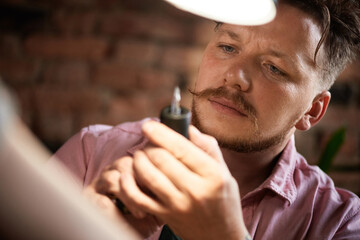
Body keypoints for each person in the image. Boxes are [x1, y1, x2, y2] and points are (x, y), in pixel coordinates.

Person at [50, 0, 360, 239]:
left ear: (313, 110)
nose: (234, 76)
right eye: (228, 47)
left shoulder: (339, 223)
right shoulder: (91, 153)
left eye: (274, 68)